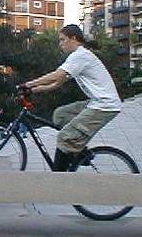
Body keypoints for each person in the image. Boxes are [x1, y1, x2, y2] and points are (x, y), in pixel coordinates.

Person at [19, 24, 121, 172]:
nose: (60, 44)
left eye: (62, 40)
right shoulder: (77, 57)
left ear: (73, 38)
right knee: (60, 115)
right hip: (97, 102)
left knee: (63, 137)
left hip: (105, 106)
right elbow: (58, 83)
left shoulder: (81, 55)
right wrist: (34, 90)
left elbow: (57, 75)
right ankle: (79, 151)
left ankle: (59, 177)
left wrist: (28, 84)